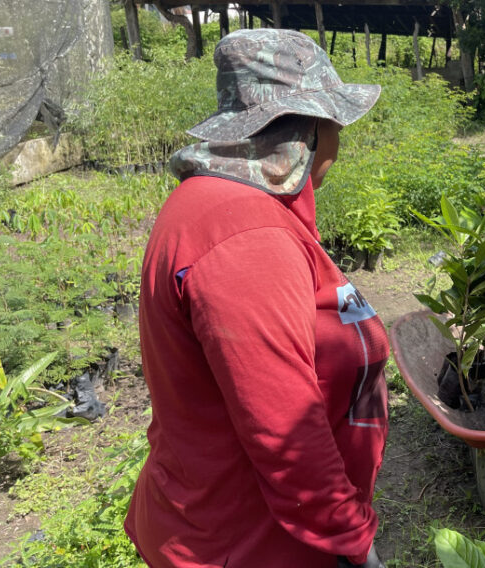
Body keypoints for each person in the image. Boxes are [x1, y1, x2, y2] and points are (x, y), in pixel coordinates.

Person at [126, 29, 388, 568]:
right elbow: (282, 425)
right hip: (247, 543)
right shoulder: (246, 239)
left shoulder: (216, 205)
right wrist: (350, 542)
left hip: (231, 522)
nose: (339, 144)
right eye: (335, 126)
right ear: (306, 133)